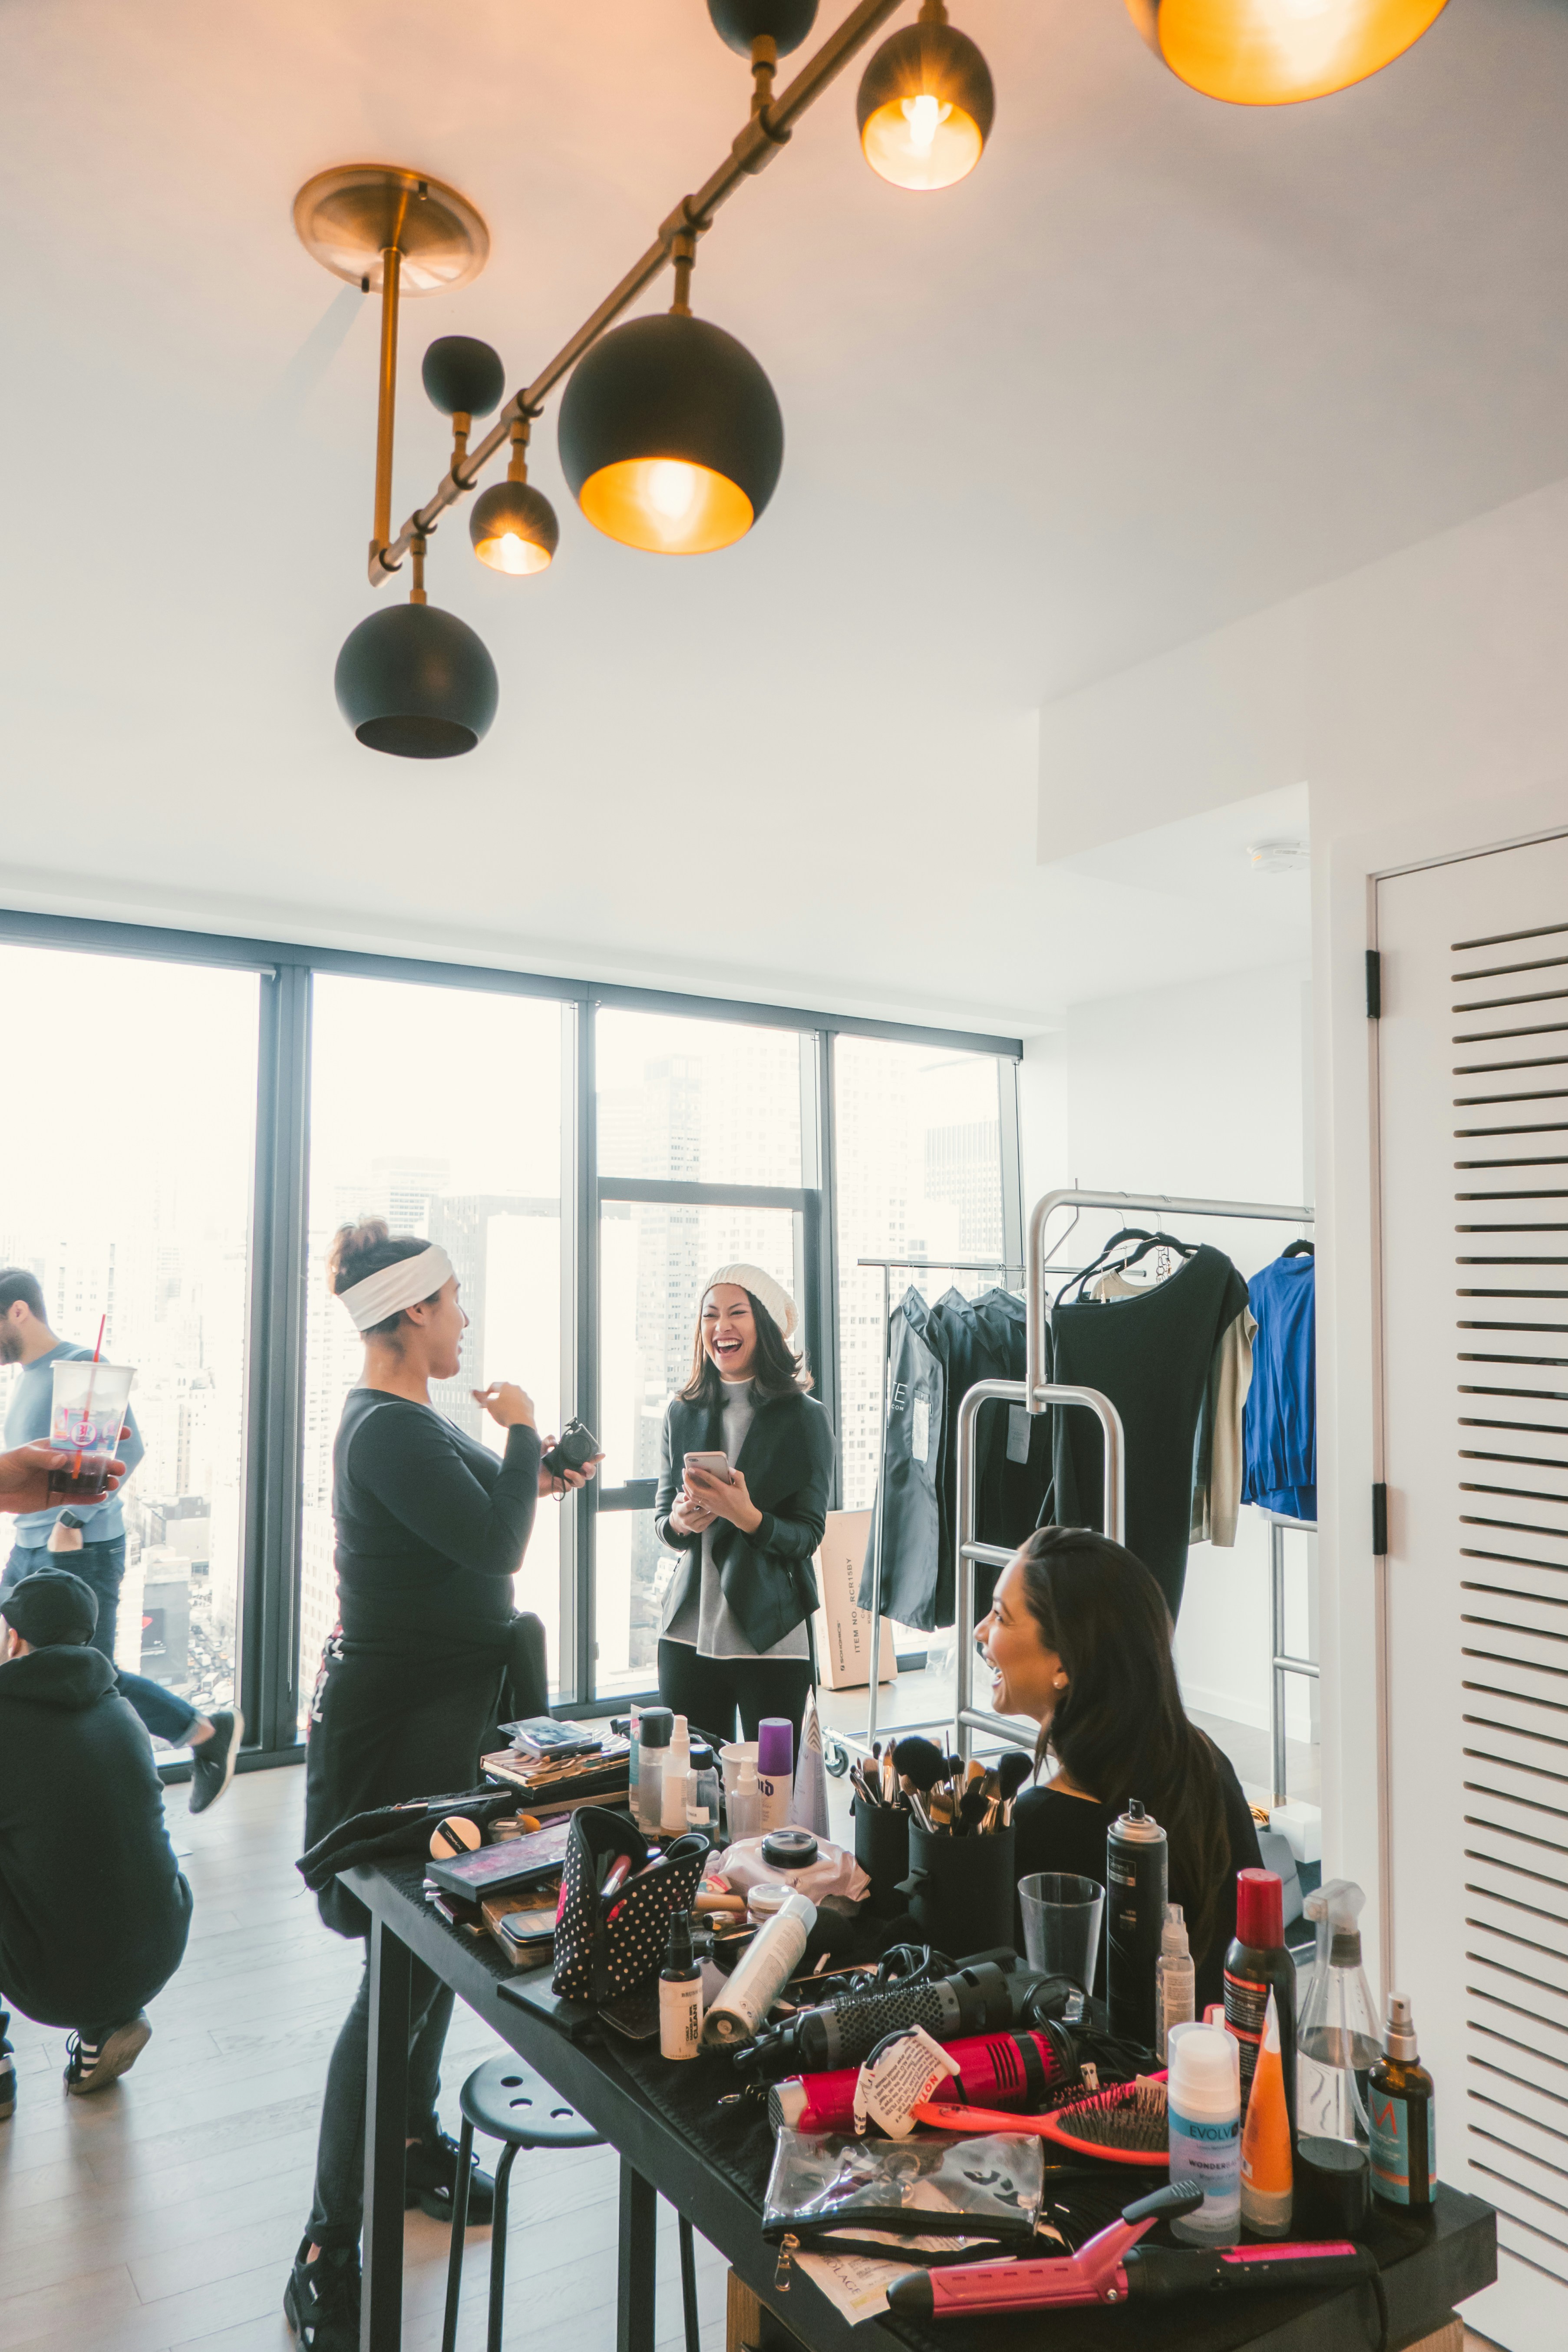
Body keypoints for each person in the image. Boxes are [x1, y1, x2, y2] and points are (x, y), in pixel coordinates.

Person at [287, 1220, 598, 2352]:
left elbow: (488, 1516)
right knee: (400, 1975)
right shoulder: (386, 1432)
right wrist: (517, 1435)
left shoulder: (408, 1425)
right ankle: (329, 2242)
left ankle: (411, 2143)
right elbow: (493, 1545)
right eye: (455, 1299)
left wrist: (539, 1467)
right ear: (412, 1313)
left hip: (445, 1726)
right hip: (399, 1744)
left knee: (426, 1969)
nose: (465, 1316)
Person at [978, 1525, 1262, 2010]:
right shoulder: (1205, 1762)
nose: (981, 1630)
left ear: (1063, 1663)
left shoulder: (1036, 1827)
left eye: (1001, 1616)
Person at [0, 1268, 241, 1812]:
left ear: (18, 1311)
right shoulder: (28, 1375)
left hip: (78, 1547)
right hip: (29, 1545)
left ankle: (202, 1733)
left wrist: (71, 1523)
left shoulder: (84, 1367)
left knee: (92, 1676)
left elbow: (125, 1454)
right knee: (22, 1663)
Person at [0, 1566, 193, 2118]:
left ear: (13, 1637)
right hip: (159, 1948)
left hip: (57, 1980)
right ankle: (105, 2026)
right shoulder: (123, 1711)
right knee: (90, 1843)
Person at [653, 1264, 835, 1752]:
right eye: (709, 1315)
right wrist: (680, 1520)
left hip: (771, 1637)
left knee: (773, 1800)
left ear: (767, 1327)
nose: (720, 1327)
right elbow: (662, 1524)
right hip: (686, 1634)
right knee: (688, 1797)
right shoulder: (680, 1410)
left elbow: (807, 1535)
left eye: (737, 1313)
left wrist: (745, 1515)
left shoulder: (805, 1418)